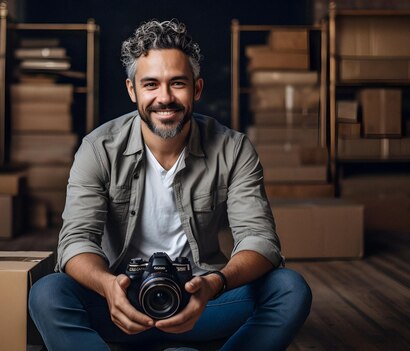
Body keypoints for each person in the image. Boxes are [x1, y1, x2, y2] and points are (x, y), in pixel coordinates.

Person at [28, 19, 312, 351]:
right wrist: (108, 287)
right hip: (119, 306)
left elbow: (260, 239)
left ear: (197, 88)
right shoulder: (97, 148)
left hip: (201, 302)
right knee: (48, 293)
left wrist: (214, 284)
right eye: (151, 84)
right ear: (132, 90)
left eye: (177, 83)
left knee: (290, 288)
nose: (165, 98)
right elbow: (76, 241)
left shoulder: (233, 149)